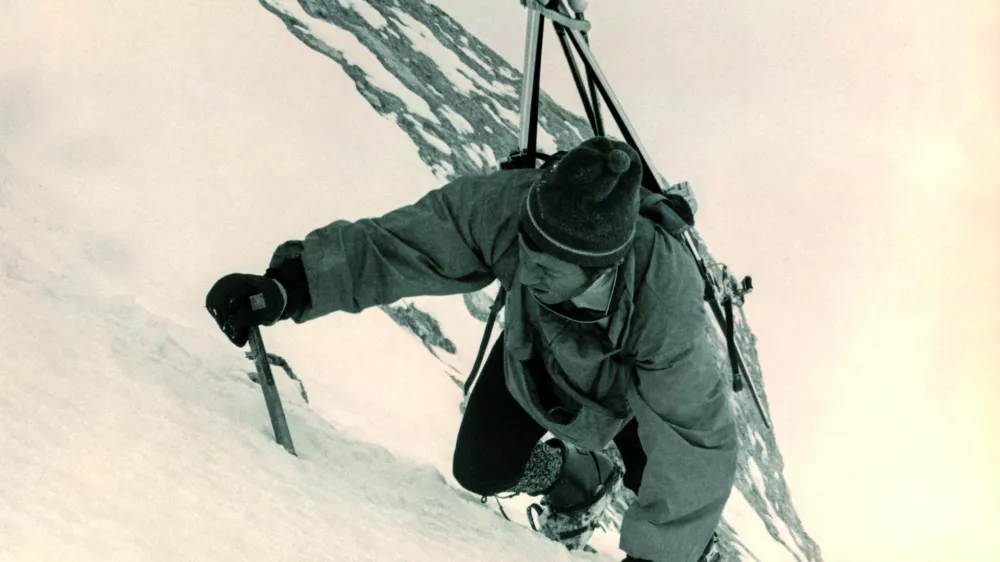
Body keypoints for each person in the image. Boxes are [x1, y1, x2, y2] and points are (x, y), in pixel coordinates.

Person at [206, 136, 738, 562]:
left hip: (636, 399)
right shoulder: (511, 210)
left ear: (601, 267)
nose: (527, 272)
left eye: (550, 269)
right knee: (480, 470)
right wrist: (290, 285)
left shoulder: (665, 303)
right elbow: (401, 244)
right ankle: (577, 481)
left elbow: (694, 440)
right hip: (539, 355)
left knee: (671, 509)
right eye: (526, 252)